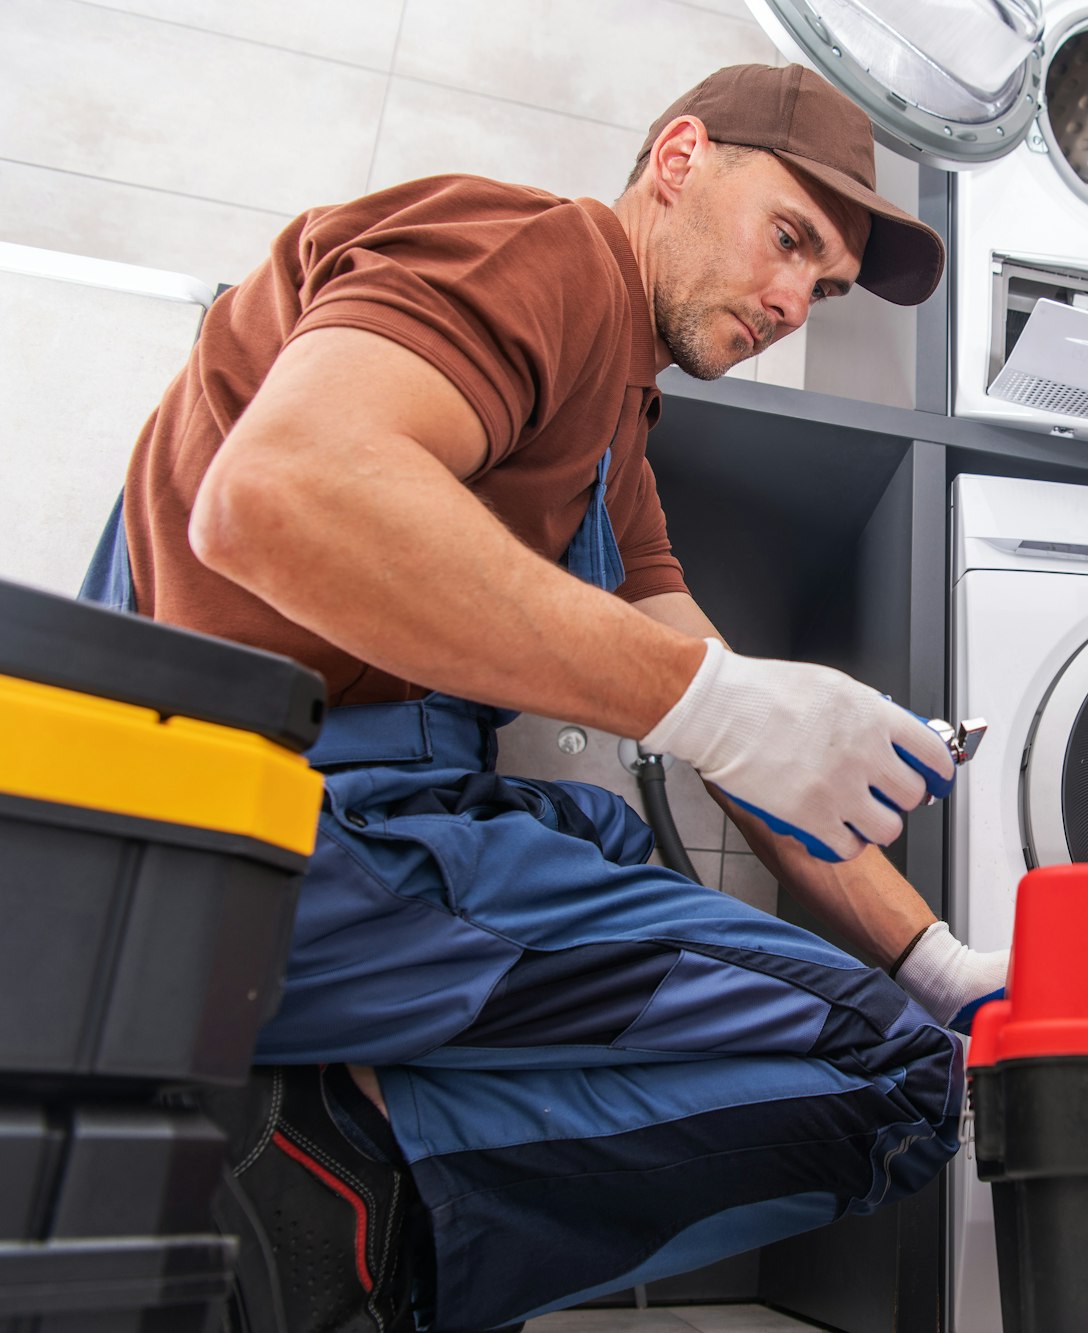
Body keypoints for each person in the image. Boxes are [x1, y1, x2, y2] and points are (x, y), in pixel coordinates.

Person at [80, 64, 1005, 1332]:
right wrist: (721, 708)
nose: (795, 299)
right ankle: (321, 1194)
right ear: (678, 160)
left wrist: (945, 962)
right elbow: (279, 495)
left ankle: (346, 1185)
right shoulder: (543, 251)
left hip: (316, 857)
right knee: (896, 1076)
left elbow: (738, 737)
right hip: (278, 844)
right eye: (788, 238)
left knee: (901, 1027)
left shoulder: (617, 437)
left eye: (826, 286)